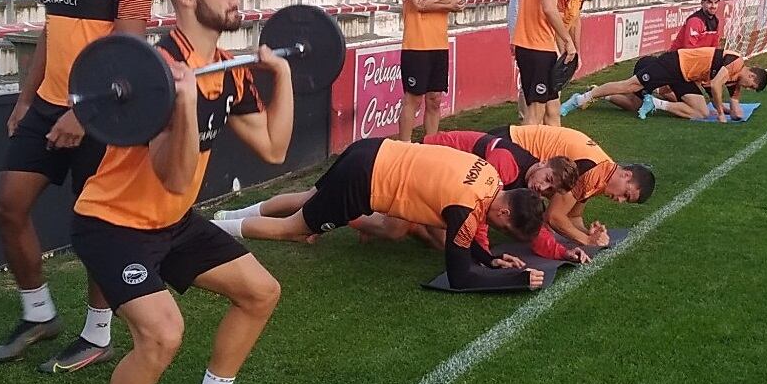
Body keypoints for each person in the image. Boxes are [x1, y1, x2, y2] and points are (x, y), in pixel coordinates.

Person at [74, 0, 295, 384]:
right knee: (161, 335)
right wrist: (184, 103)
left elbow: (273, 147)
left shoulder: (225, 66)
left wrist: (284, 76)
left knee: (260, 292)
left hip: (171, 222)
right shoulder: (153, 71)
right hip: (112, 224)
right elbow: (173, 176)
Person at [0, 0, 152, 374]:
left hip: (102, 114)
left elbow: (131, 54)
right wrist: (24, 98)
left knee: (95, 225)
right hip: (48, 105)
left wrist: (85, 114)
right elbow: (51, 33)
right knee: (7, 206)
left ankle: (97, 333)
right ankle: (38, 314)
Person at [214, 139, 549, 291]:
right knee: (295, 229)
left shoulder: (491, 176)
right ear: (504, 209)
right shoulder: (466, 208)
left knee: (307, 198)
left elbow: (468, 243)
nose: (494, 226)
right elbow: (460, 276)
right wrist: (514, 279)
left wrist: (491, 259)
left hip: (372, 149)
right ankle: (217, 229)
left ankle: (229, 214)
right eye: (502, 223)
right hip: (363, 181)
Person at [491, 124, 654, 251]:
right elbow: (554, 217)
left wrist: (589, 234)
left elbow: (573, 216)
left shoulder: (603, 172)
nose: (620, 200)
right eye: (626, 194)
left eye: (625, 200)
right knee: (514, 211)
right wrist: (586, 241)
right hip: (506, 145)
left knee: (531, 220)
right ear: (626, 175)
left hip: (512, 148)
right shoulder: (592, 170)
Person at [564, 47, 767, 123]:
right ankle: (582, 98)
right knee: (629, 87)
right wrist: (722, 115)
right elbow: (715, 86)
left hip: (684, 77)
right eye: (751, 85)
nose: (748, 89)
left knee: (701, 112)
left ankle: (655, 103)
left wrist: (732, 110)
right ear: (751, 75)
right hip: (674, 64)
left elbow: (734, 104)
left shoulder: (737, 83)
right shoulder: (736, 62)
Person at [511, 0, 586, 125]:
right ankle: (524, 156)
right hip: (536, 46)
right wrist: (568, 42)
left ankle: (555, 155)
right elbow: (549, 8)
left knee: (552, 109)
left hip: (538, 45)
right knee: (535, 112)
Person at [397, 0, 465, 142]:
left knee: (435, 98)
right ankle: (404, 147)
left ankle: (431, 144)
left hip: (439, 43)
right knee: (413, 98)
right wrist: (447, 3)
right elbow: (418, 2)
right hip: (417, 43)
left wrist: (443, 1)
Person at [541, 0, 605, 126]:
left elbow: (575, 18)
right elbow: (554, 18)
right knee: (545, 98)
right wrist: (565, 49)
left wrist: (576, 51)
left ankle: (548, 133)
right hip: (547, 40)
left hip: (561, 42)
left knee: (552, 96)